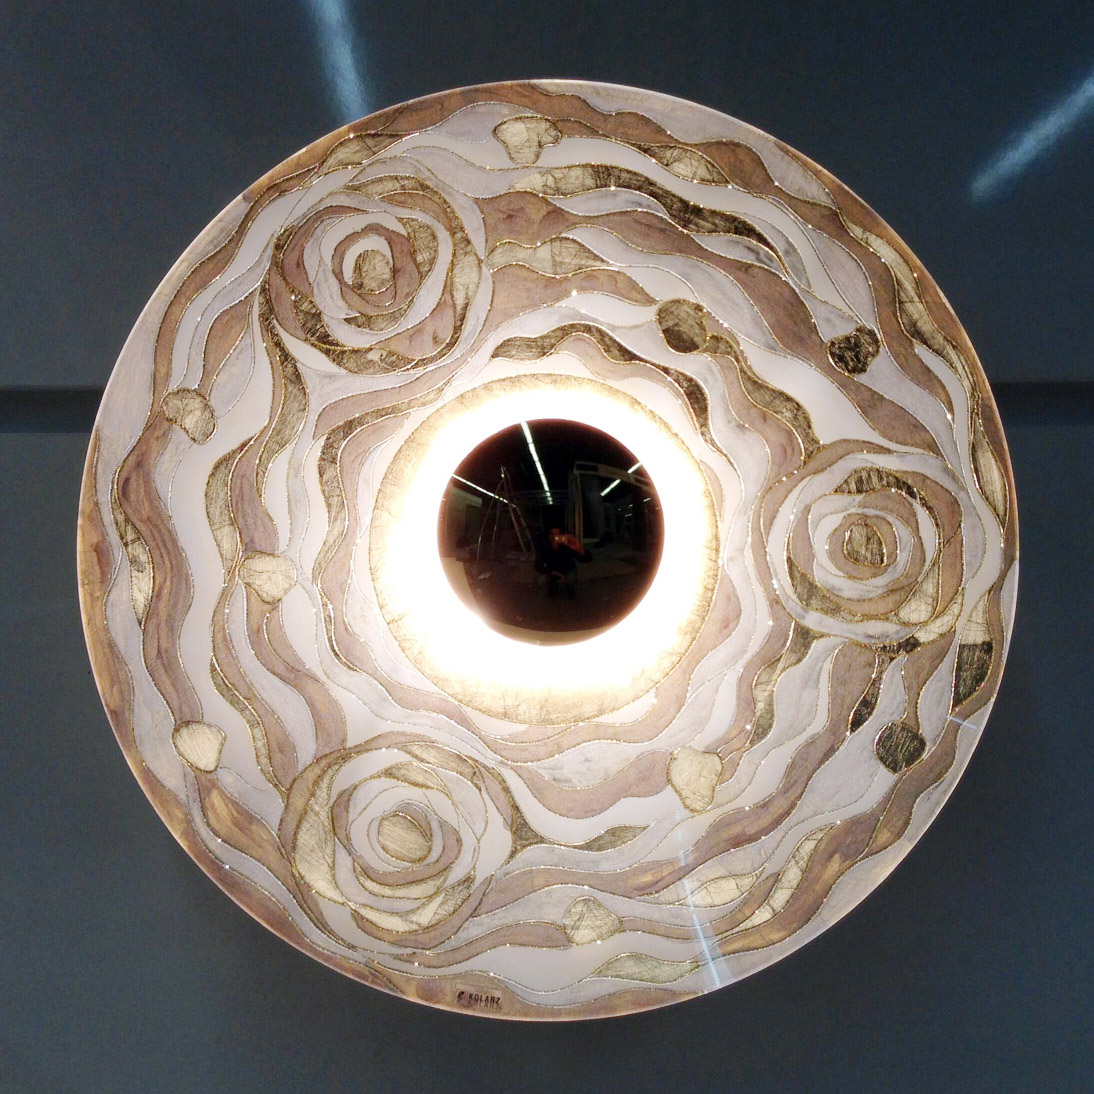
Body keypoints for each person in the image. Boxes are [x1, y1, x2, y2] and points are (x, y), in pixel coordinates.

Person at [534, 528, 589, 597]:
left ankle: (570, 588)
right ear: (549, 536)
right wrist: (553, 572)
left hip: (568, 568)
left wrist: (579, 549)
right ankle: (553, 585)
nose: (555, 536)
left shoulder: (567, 546)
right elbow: (537, 565)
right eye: (553, 534)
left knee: (571, 579)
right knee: (542, 581)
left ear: (563, 536)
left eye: (558, 535)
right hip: (553, 570)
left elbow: (585, 559)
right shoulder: (544, 547)